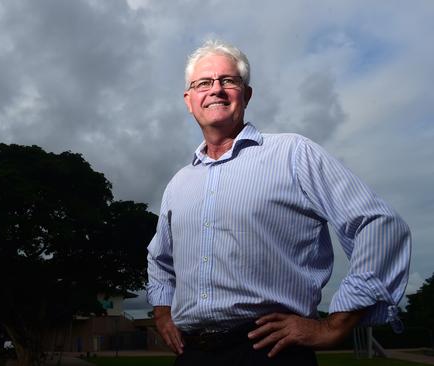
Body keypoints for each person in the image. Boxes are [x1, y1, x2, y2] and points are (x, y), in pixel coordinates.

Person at [146, 39, 411, 365]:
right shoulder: (178, 184)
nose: (216, 89)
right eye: (203, 83)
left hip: (270, 351)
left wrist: (334, 325)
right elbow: (159, 259)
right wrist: (161, 313)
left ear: (246, 94)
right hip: (192, 354)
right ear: (189, 100)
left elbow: (379, 225)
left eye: (228, 81)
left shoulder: (294, 154)